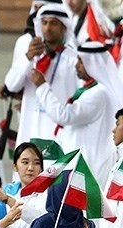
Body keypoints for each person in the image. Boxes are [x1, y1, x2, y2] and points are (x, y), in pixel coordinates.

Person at [31, 40, 123, 182]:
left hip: (89, 168)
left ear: (92, 64)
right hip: (81, 166)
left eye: (81, 61)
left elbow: (64, 116)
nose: (76, 65)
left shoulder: (99, 94)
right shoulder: (90, 90)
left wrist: (42, 87)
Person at [3, 3, 79, 148]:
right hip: (30, 127)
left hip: (57, 132)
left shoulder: (74, 59)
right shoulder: (32, 56)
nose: (48, 28)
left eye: (53, 23)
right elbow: (11, 85)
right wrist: (28, 57)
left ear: (64, 27)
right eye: (44, 23)